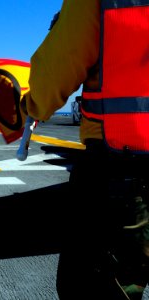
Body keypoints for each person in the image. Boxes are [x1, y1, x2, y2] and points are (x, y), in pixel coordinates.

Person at [19, 1, 149, 298]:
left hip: (120, 167)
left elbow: (57, 69)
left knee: (92, 286)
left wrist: (33, 105)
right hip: (125, 167)